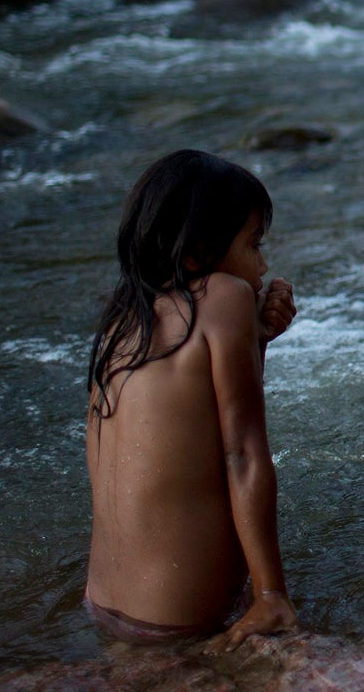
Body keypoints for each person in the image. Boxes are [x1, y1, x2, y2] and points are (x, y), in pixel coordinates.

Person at [84, 149, 300, 649]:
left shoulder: (123, 320)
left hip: (105, 604)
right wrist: (270, 595)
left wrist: (258, 341)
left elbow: (201, 428)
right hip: (179, 615)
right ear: (197, 254)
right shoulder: (224, 295)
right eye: (254, 245)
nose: (263, 265)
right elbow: (242, 454)